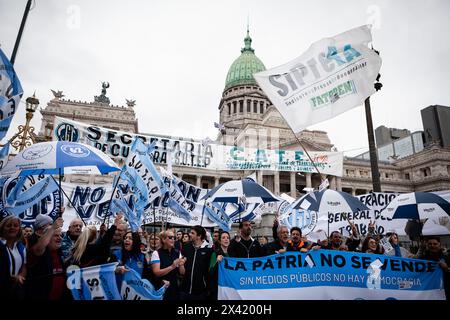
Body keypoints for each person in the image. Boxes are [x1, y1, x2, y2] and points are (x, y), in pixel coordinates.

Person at [25, 216, 71, 300]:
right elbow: (38, 249)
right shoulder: (39, 252)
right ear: (46, 238)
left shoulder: (59, 253)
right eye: (56, 236)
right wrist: (53, 227)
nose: (60, 238)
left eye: (60, 235)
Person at [180, 225, 213, 300]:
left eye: (192, 233)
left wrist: (209, 237)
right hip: (185, 290)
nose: (189, 234)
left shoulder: (208, 249)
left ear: (199, 236)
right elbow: (181, 271)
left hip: (201, 292)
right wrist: (181, 265)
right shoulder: (186, 247)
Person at [151, 230, 185, 300]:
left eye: (174, 238)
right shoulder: (156, 253)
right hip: (161, 287)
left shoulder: (177, 252)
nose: (173, 239)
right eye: (170, 237)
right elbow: (156, 272)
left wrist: (181, 265)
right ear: (163, 239)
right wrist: (172, 266)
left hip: (174, 288)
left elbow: (182, 273)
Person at [0, 216, 27, 300]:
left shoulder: (21, 247)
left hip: (15, 290)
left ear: (19, 229)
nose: (12, 227)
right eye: (8, 225)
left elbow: (24, 266)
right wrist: (11, 277)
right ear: (2, 228)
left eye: (15, 225)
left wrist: (20, 276)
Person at [208, 231, 230, 300]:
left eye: (228, 238)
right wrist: (217, 262)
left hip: (228, 287)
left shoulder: (232, 254)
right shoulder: (215, 254)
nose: (226, 239)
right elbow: (210, 272)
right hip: (217, 288)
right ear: (220, 241)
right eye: (223, 238)